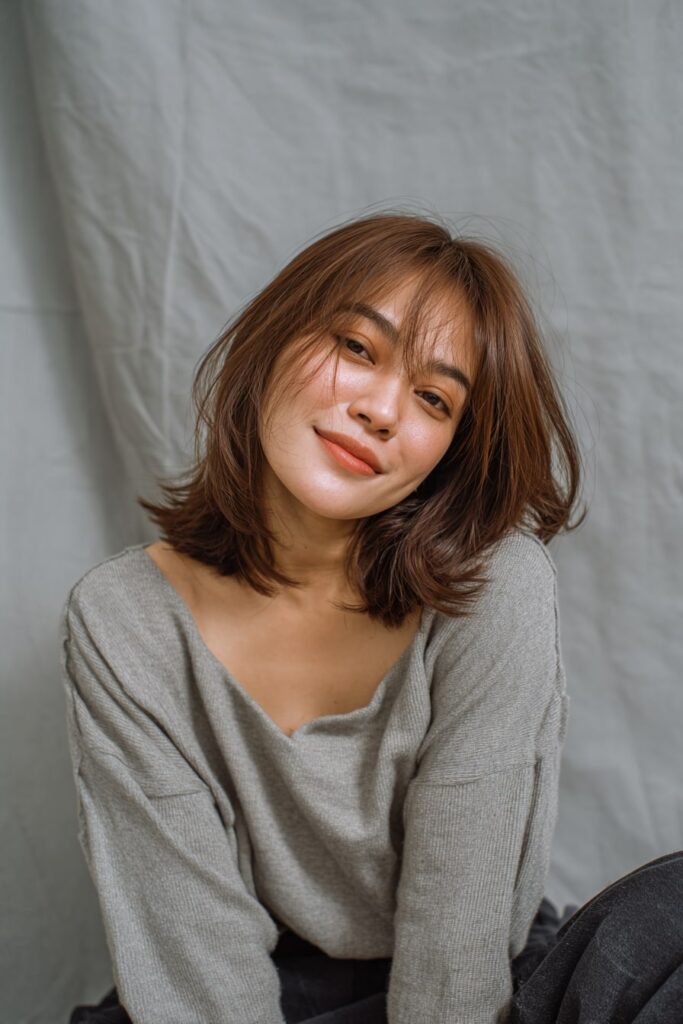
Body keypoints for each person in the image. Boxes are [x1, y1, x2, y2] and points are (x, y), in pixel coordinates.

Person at [59, 212, 681, 1024]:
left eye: (432, 398)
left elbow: (455, 952)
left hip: (479, 983)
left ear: (449, 452)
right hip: (257, 990)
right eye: (357, 348)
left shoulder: (493, 587)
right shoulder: (124, 620)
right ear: (274, 339)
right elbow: (195, 968)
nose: (382, 410)